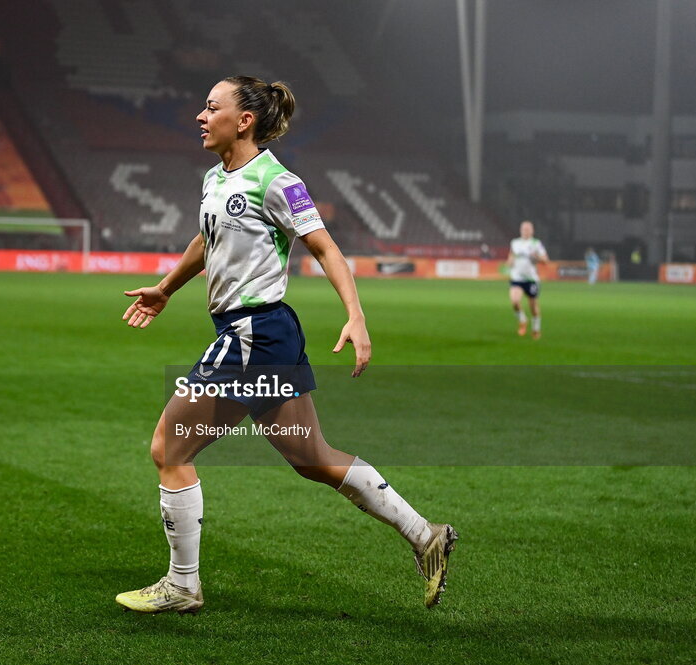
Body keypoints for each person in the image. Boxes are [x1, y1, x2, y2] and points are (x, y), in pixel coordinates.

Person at [117, 76, 458, 615]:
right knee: (311, 458)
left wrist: (357, 317)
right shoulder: (215, 177)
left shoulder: (276, 180)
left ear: (244, 120)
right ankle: (427, 535)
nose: (201, 116)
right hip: (266, 337)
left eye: (212, 107)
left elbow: (326, 249)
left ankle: (183, 584)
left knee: (168, 448)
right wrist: (166, 288)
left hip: (254, 334)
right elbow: (207, 239)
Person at [507, 220, 548, 339]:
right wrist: (509, 262)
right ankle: (523, 320)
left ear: (532, 231)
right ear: (520, 230)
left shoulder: (536, 243)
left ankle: (536, 329)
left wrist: (537, 257)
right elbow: (510, 257)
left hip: (531, 280)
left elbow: (545, 260)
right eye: (524, 229)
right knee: (515, 301)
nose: (525, 231)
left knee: (533, 306)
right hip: (517, 278)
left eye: (528, 229)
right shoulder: (514, 243)